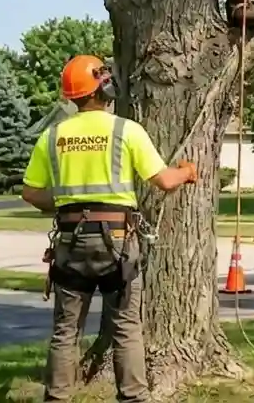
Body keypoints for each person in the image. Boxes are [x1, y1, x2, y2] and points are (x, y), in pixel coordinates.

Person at [20, 54, 199, 403]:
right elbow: (163, 180)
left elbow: (30, 192)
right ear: (102, 87)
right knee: (126, 328)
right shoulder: (125, 130)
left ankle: (57, 398)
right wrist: (186, 172)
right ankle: (133, 398)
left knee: (65, 331)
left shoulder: (52, 136)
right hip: (117, 241)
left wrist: (61, 202)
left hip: (70, 242)